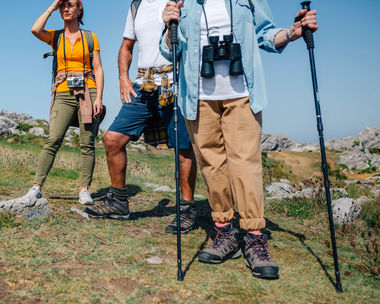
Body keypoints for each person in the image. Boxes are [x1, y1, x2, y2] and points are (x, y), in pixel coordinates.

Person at [160, 0, 318, 279]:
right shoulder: (183, 3)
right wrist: (167, 26)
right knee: (211, 166)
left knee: (245, 164)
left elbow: (266, 35)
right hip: (198, 96)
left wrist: (293, 32)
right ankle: (225, 234)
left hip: (243, 92)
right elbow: (170, 49)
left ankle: (254, 236)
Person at [84, 0, 198, 234]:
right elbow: (126, 46)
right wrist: (123, 78)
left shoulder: (179, 2)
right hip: (143, 85)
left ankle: (186, 210)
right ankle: (118, 203)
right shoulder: (136, 6)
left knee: (184, 148)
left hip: (175, 84)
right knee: (112, 139)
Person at [28, 0, 104, 205]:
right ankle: (36, 187)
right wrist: (52, 7)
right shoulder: (56, 36)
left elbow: (98, 69)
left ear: (79, 9)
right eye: (63, 6)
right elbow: (35, 29)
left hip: (88, 91)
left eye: (69, 5)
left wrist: (99, 98)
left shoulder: (90, 37)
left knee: (87, 143)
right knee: (53, 139)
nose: (65, 9)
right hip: (62, 92)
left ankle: (84, 189)